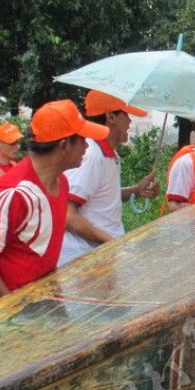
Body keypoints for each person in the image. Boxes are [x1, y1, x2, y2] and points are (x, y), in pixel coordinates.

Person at [0, 101, 107, 316]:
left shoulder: (61, 182)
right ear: (64, 145)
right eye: (83, 140)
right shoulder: (14, 192)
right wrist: (11, 307)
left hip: (40, 296)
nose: (87, 146)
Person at [58, 91, 160, 266]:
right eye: (126, 115)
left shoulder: (107, 153)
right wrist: (111, 241)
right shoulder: (90, 154)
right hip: (83, 260)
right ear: (111, 117)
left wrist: (136, 190)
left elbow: (99, 196)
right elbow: (66, 214)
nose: (129, 121)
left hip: (100, 255)